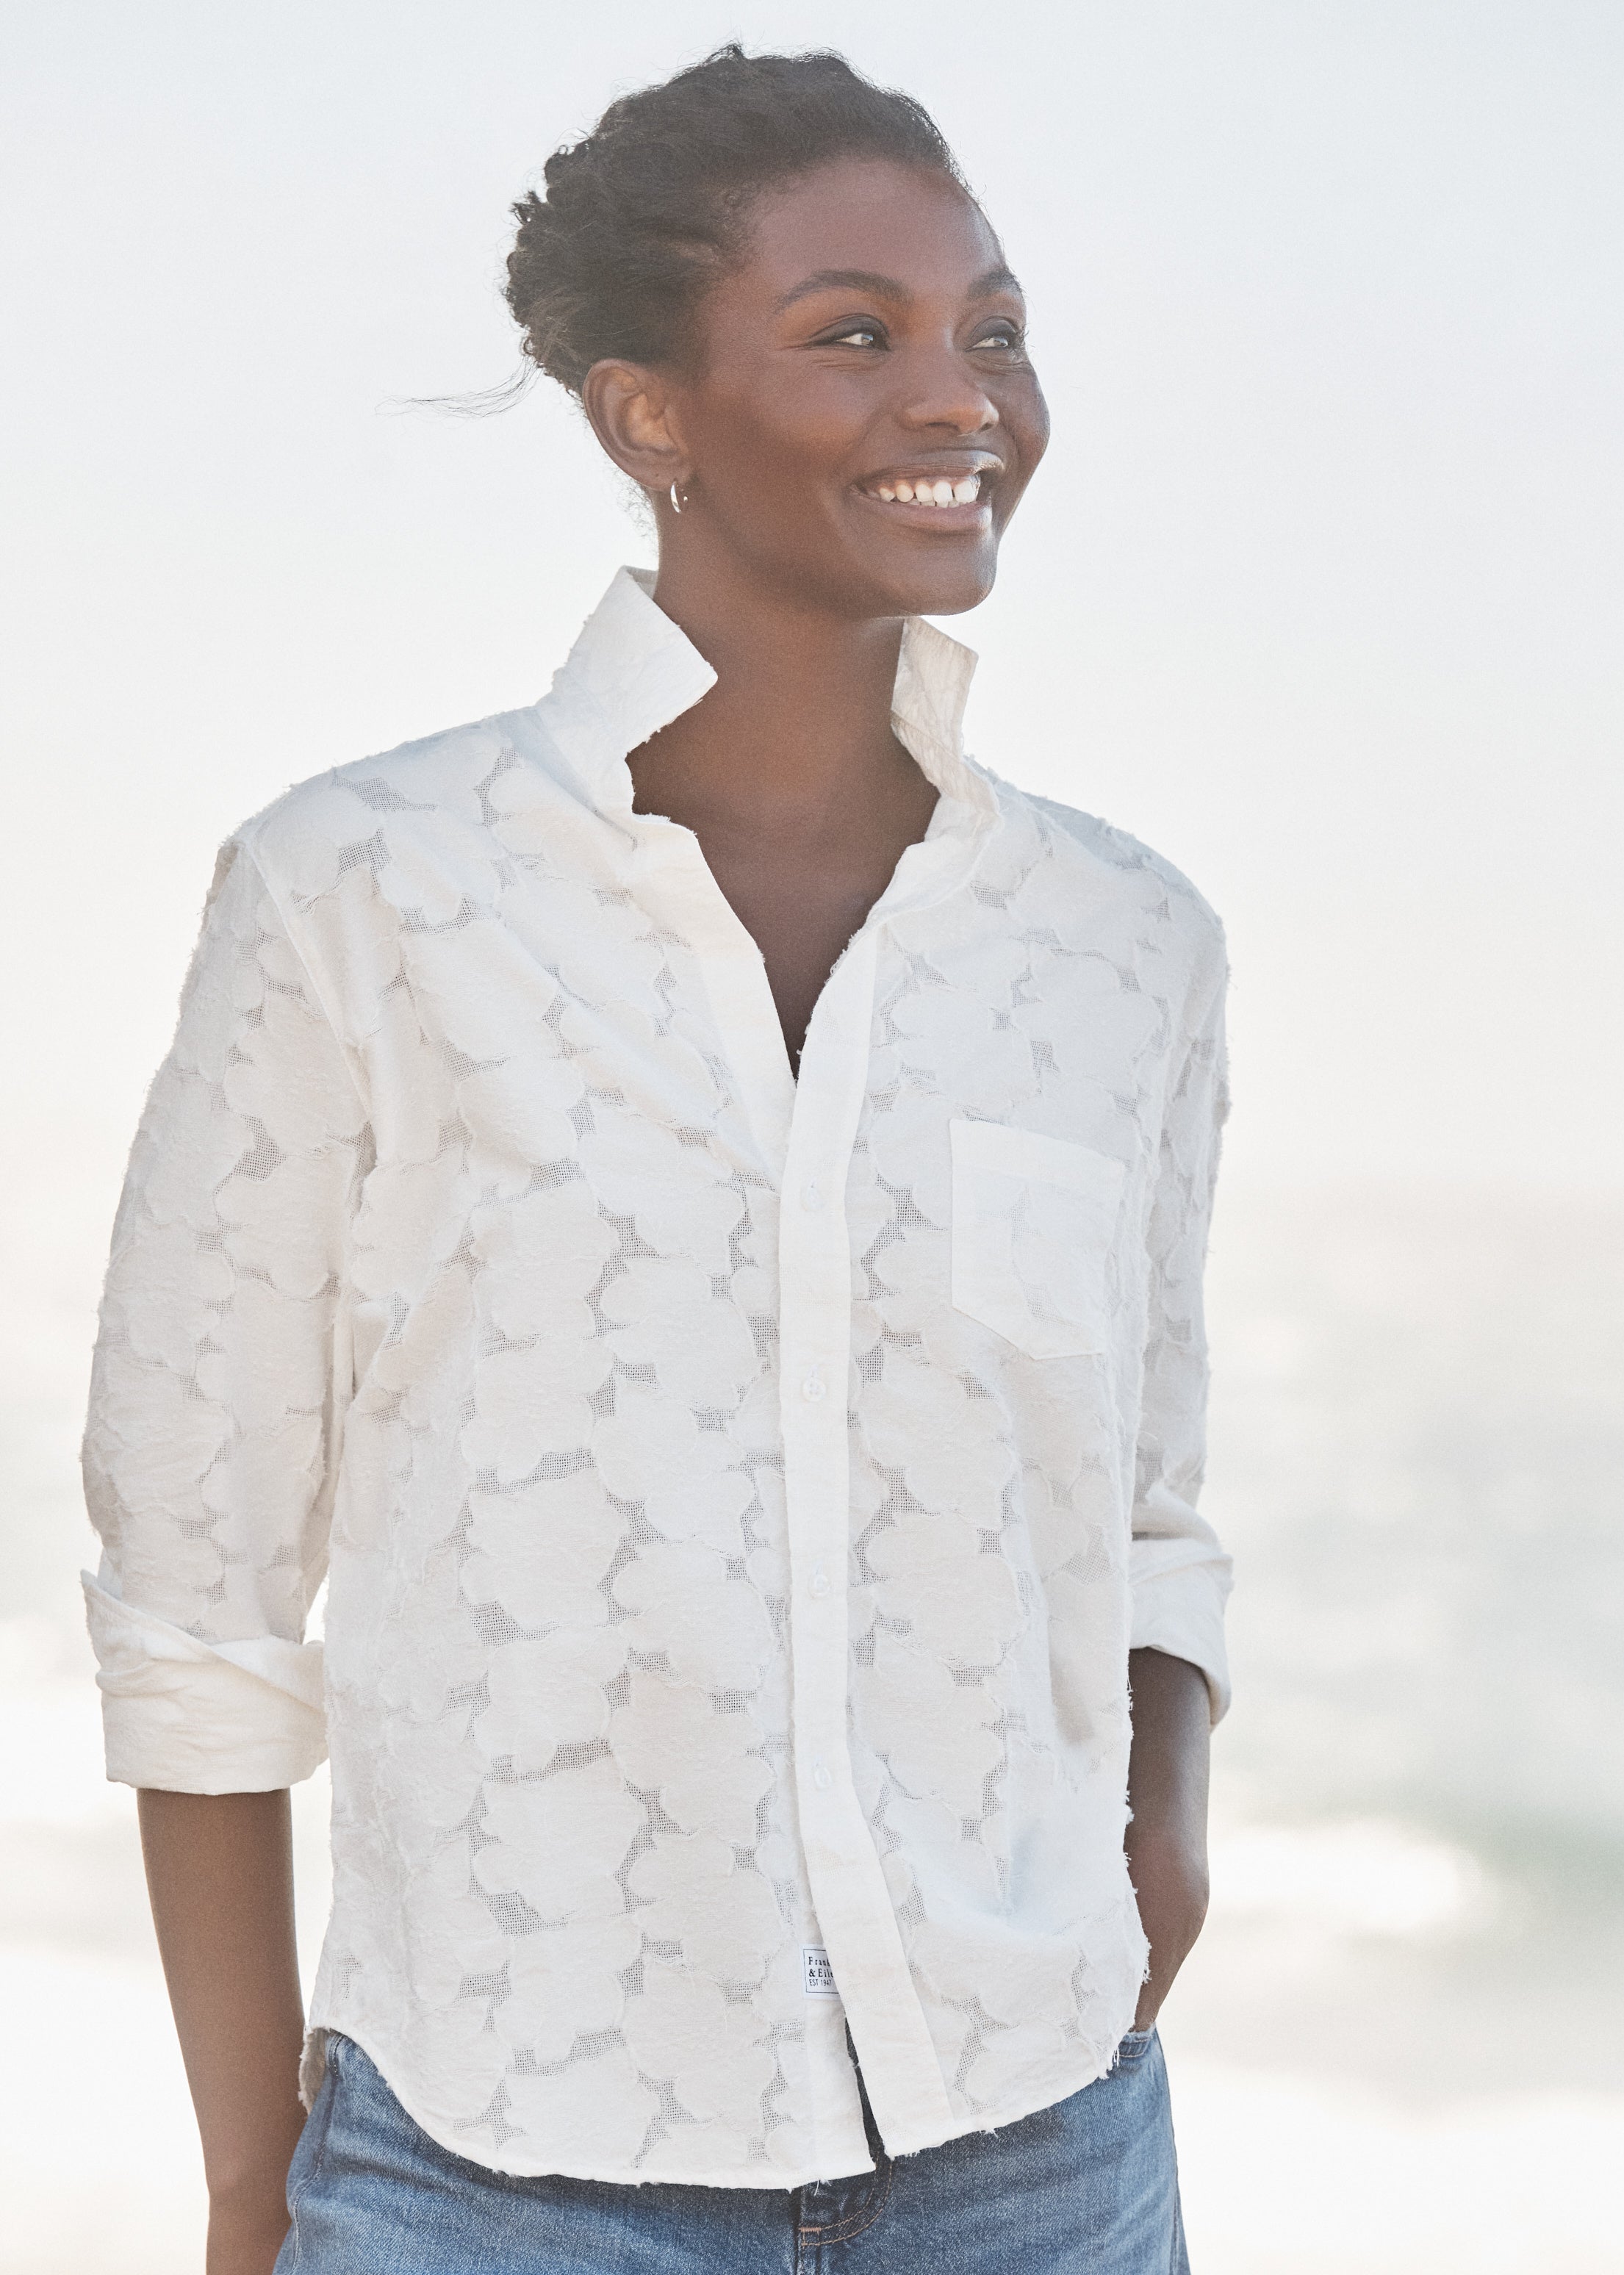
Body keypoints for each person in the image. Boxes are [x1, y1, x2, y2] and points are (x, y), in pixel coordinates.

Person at [82, 44, 1232, 2275]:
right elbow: (200, 1596)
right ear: (647, 416)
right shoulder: (361, 898)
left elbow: (1146, 1501)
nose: (959, 395)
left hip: (1044, 2160)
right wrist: (251, 2179)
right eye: (852, 336)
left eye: (991, 328)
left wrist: (1155, 1835)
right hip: (497, 2178)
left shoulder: (1122, 945)